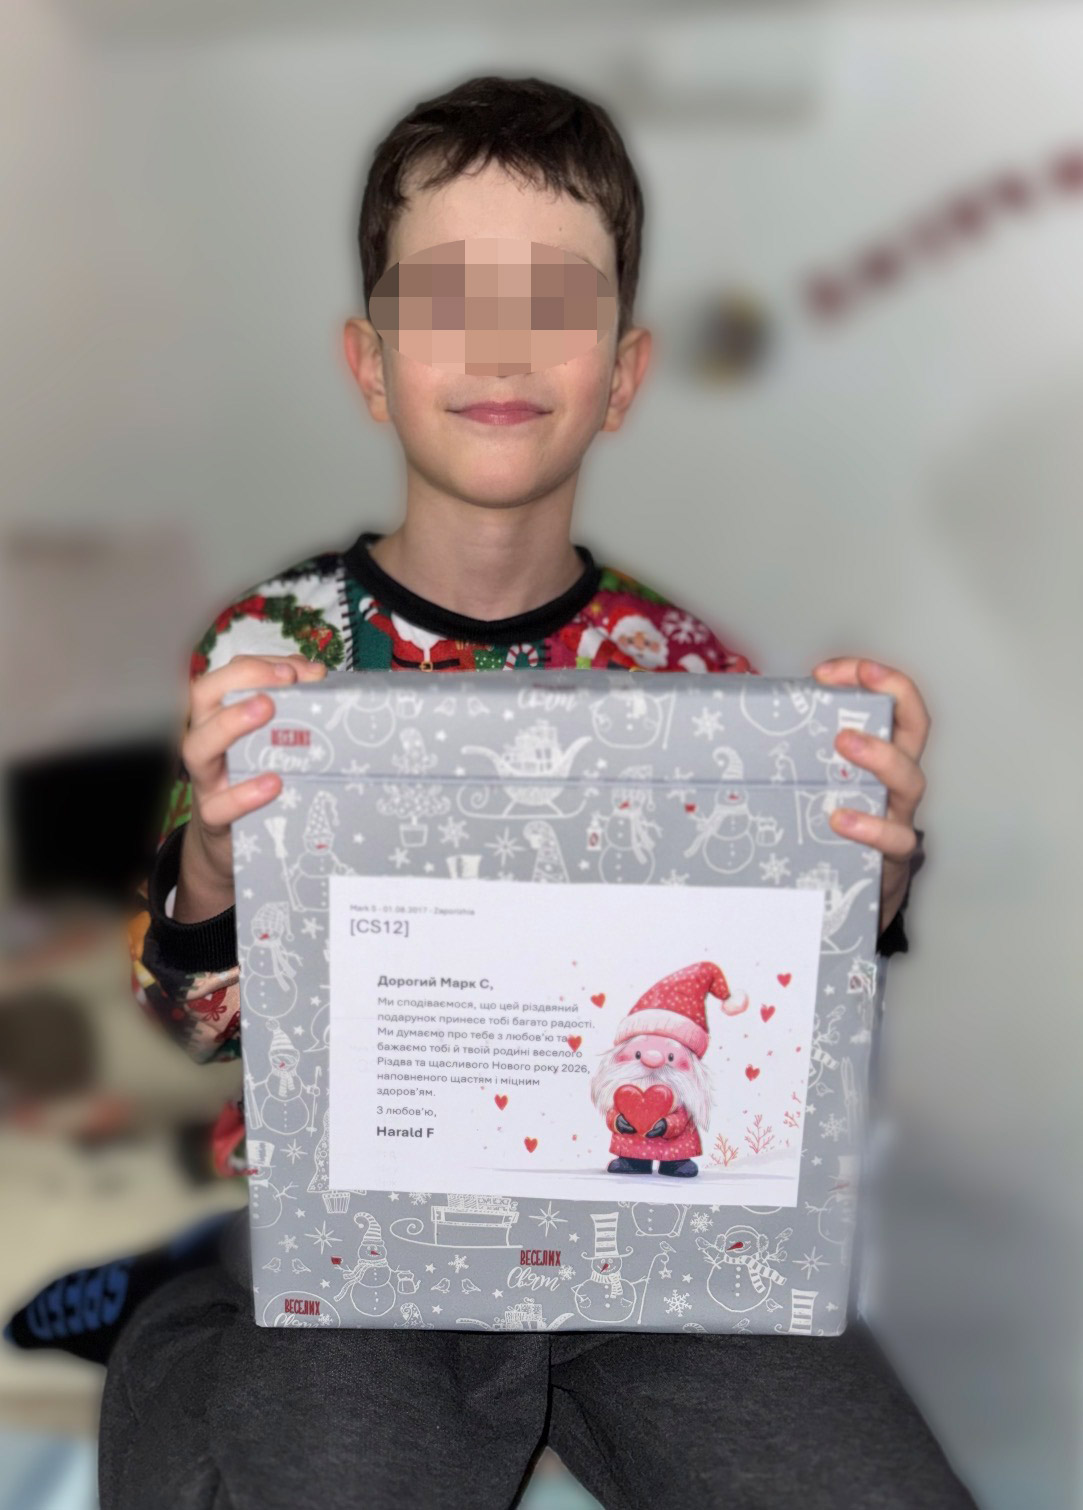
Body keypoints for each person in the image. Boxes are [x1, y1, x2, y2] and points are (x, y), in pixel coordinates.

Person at [98, 74, 971, 1510]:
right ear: (371, 362)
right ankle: (177, 1328)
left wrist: (863, 890)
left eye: (552, 303)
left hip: (652, 1251)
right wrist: (213, 863)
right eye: (446, 298)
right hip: (360, 1235)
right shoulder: (275, 649)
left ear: (621, 375)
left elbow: (770, 1037)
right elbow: (188, 1019)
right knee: (324, 1468)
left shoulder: (693, 673)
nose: (499, 344)